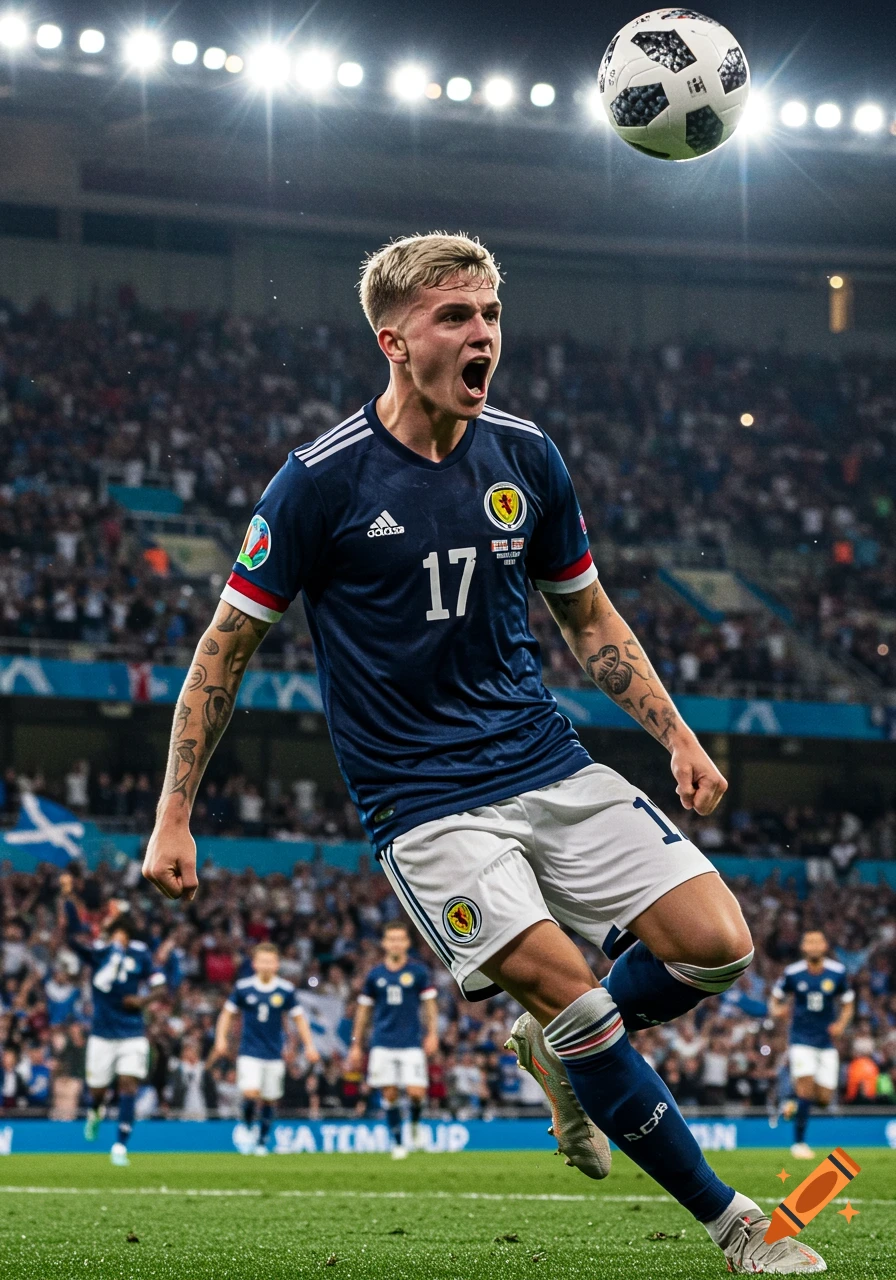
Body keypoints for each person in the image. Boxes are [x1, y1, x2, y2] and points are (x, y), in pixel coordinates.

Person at [143, 232, 822, 1273]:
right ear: (393, 340)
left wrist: (676, 735)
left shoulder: (526, 455)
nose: (483, 336)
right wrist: (173, 813)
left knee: (717, 943)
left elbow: (588, 616)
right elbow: (222, 650)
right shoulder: (318, 481)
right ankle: (736, 1225)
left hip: (542, 757)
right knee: (578, 997)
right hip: (423, 801)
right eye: (455, 316)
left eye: (491, 315)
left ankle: (555, 1050)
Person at [60, 877, 166, 1166]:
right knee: (97, 1090)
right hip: (102, 1034)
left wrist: (142, 1001)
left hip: (132, 1032)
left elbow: (160, 986)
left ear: (127, 931)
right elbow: (71, 939)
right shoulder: (99, 954)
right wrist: (67, 899)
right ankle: (95, 1110)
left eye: (119, 930)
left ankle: (120, 1146)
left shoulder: (141, 954)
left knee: (128, 1085)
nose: (116, 935)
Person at [209, 941, 320, 1155]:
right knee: (251, 1093)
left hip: (274, 1054)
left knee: (269, 1099)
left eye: (270, 961)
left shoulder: (285, 990)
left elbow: (299, 1019)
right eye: (263, 961)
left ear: (277, 964)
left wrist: (309, 1046)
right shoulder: (243, 988)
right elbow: (227, 1014)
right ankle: (247, 1127)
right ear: (255, 964)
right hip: (249, 1052)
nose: (267, 965)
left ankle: (261, 1141)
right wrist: (220, 1039)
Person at [347, 921, 438, 1157]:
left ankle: (415, 1124)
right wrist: (356, 1044)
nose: (396, 944)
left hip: (411, 1042)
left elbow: (429, 1005)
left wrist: (432, 1033)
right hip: (382, 1042)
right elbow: (363, 1011)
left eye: (400, 939)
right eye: (392, 939)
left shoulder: (418, 972)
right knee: (389, 1093)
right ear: (385, 943)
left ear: (406, 943)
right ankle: (398, 1143)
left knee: (416, 1092)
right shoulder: (375, 975)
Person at [770, 929, 854, 1159]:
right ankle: (799, 1144)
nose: (814, 945)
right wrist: (778, 1010)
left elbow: (848, 1003)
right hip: (801, 1039)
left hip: (826, 1042)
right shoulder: (793, 973)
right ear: (803, 947)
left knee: (824, 1100)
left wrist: (841, 1024)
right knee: (805, 1089)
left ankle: (791, 1103)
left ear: (825, 946)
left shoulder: (837, 972)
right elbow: (775, 999)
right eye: (809, 941)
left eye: (818, 941)